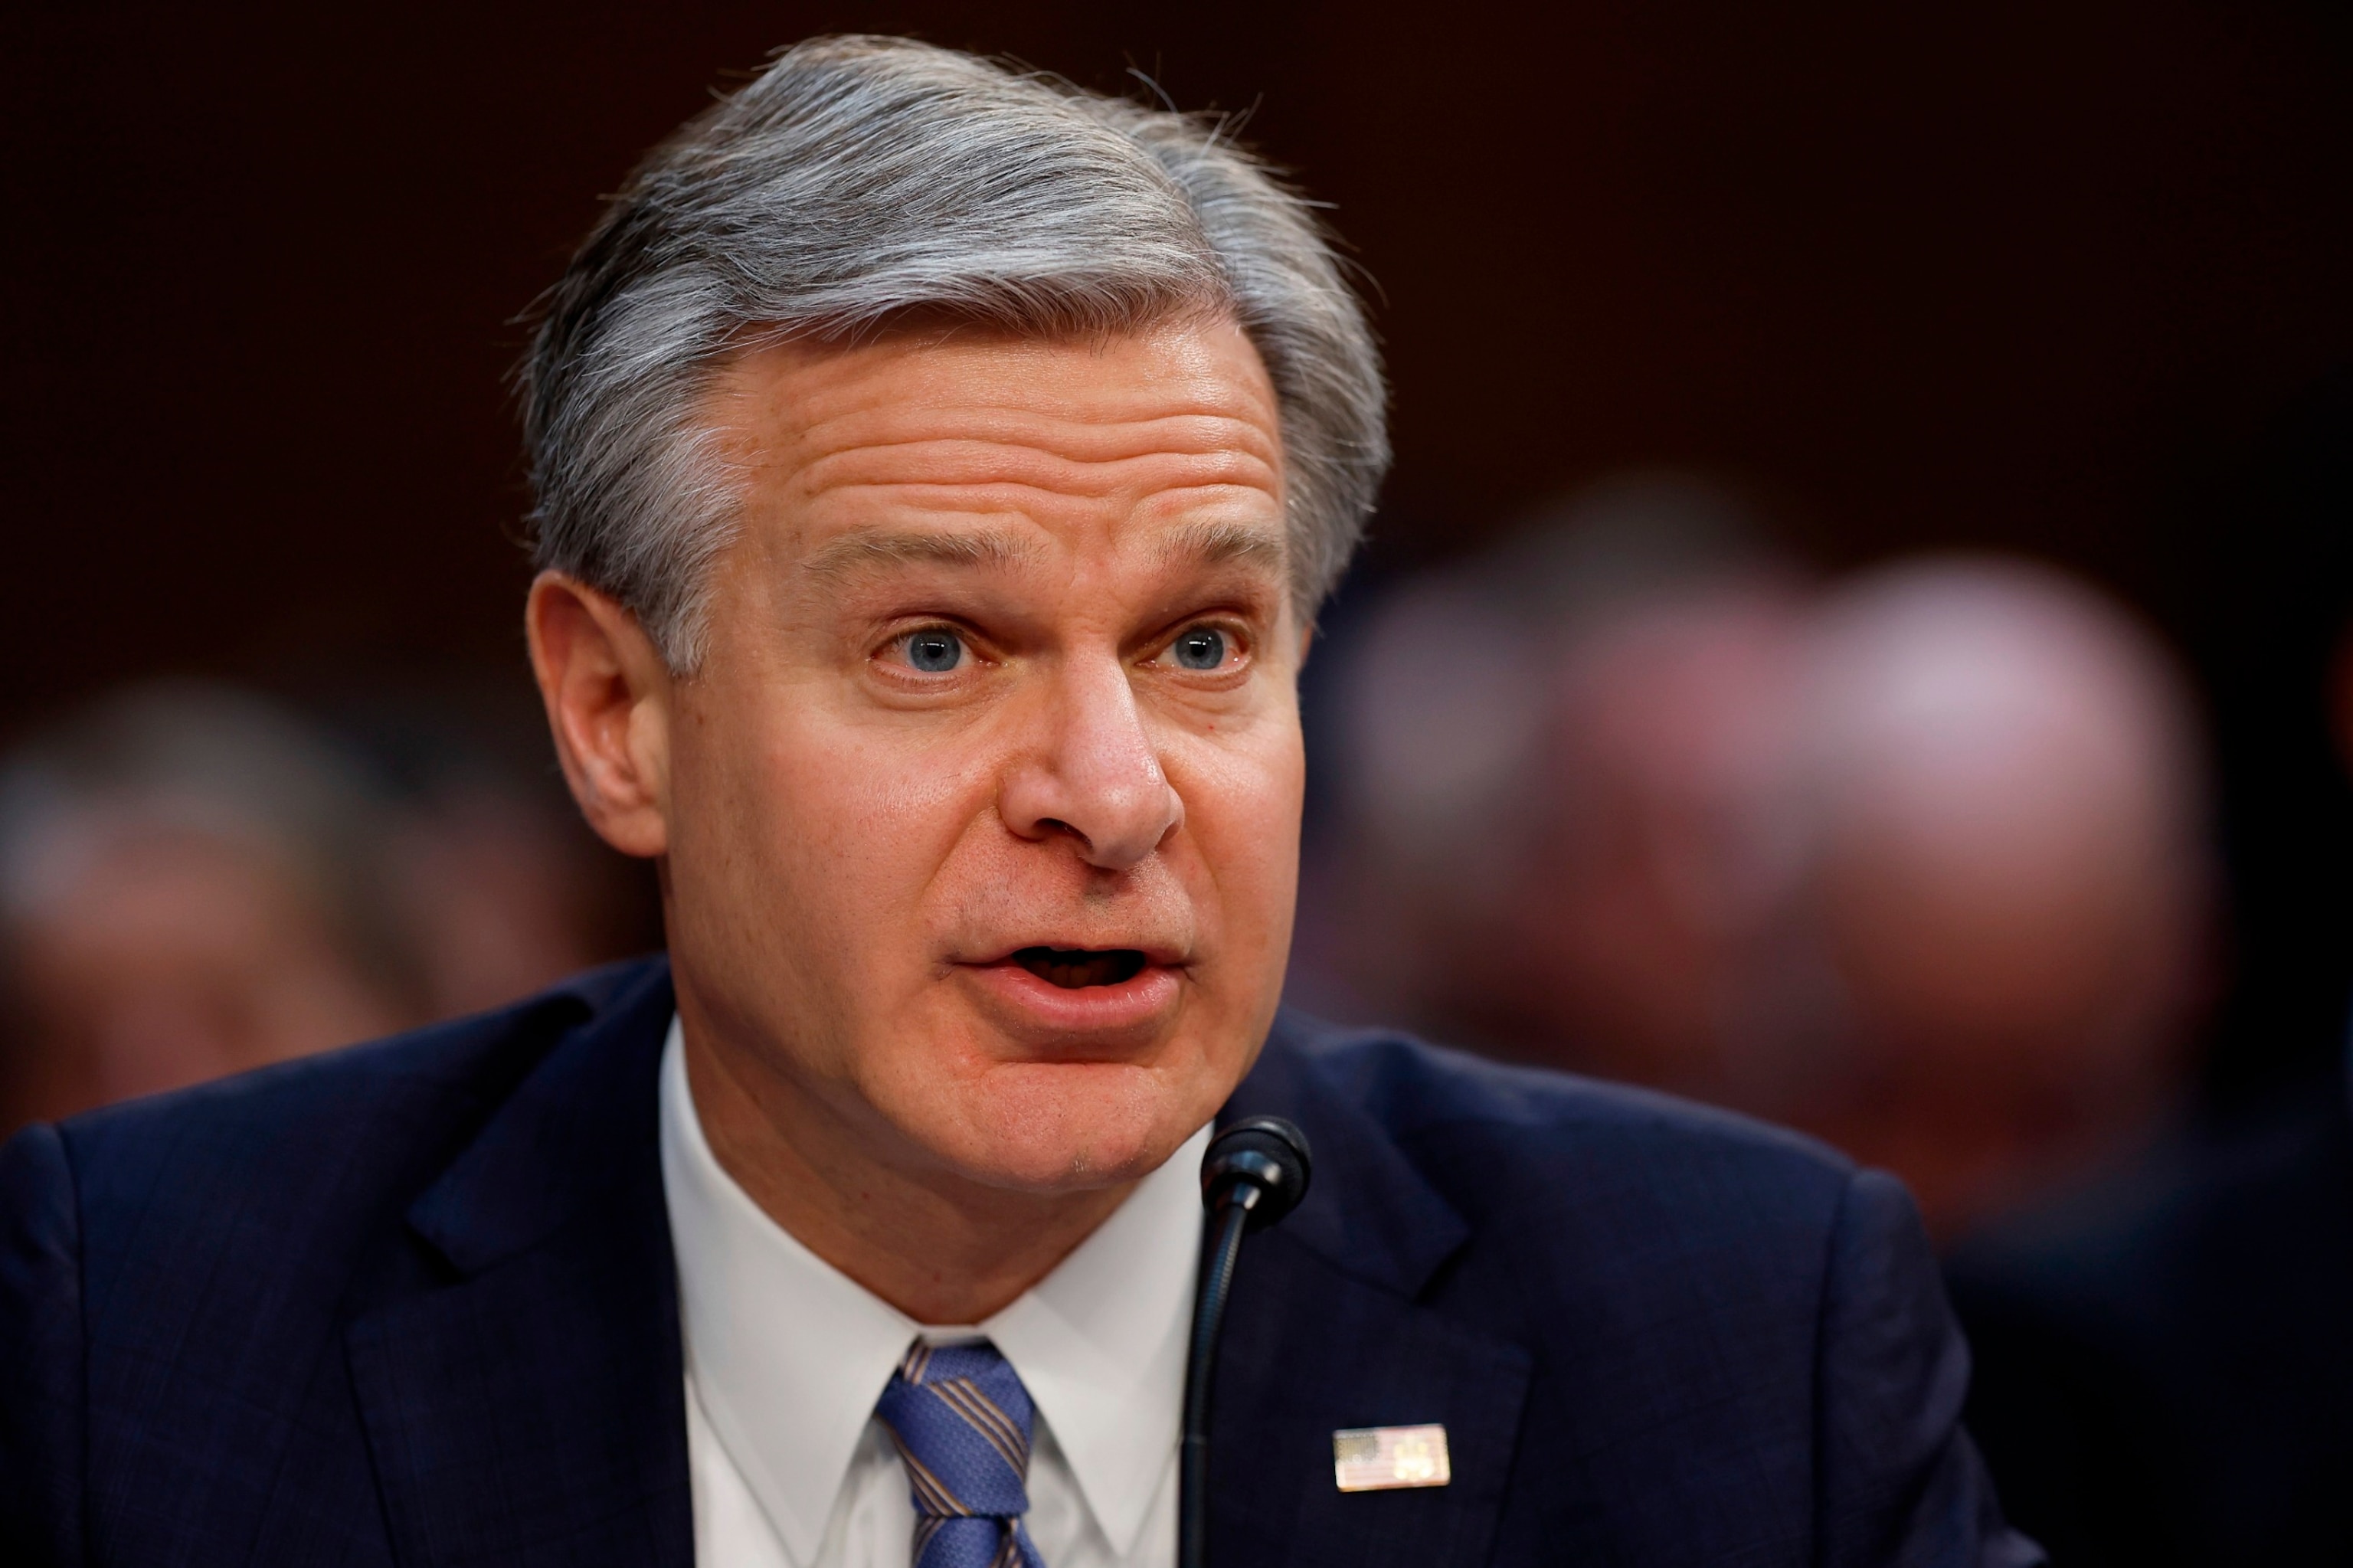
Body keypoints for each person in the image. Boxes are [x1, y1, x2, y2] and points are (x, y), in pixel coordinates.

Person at [0, 37, 2038, 1568]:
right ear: (619, 714)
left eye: (1202, 645)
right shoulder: (146, 1345)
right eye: (937, 650)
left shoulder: (1730, 1344)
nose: (1115, 794)